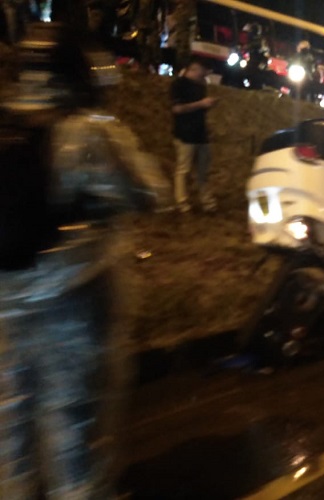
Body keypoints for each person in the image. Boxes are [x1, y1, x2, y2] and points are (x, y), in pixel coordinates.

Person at [0, 21, 169, 499]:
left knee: (11, 417)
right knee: (72, 421)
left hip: (6, 306)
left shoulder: (7, 125)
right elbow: (149, 192)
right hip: (70, 307)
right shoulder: (88, 133)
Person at [171, 57, 218, 213]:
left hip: (200, 133)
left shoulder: (201, 85)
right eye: (203, 70)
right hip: (185, 133)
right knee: (183, 170)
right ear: (195, 68)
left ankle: (207, 202)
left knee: (203, 171)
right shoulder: (179, 84)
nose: (205, 73)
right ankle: (182, 203)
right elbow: (176, 109)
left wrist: (206, 106)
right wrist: (201, 104)